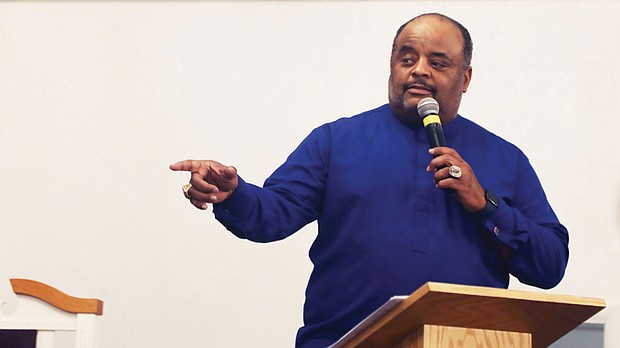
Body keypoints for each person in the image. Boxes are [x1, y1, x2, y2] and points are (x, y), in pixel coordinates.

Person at [170, 13, 568, 348]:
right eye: (406, 58)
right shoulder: (336, 141)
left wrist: (485, 203)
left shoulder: (506, 159)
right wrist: (232, 193)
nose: (419, 70)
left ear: (465, 78)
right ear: (392, 65)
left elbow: (550, 264)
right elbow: (270, 216)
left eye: (439, 62)